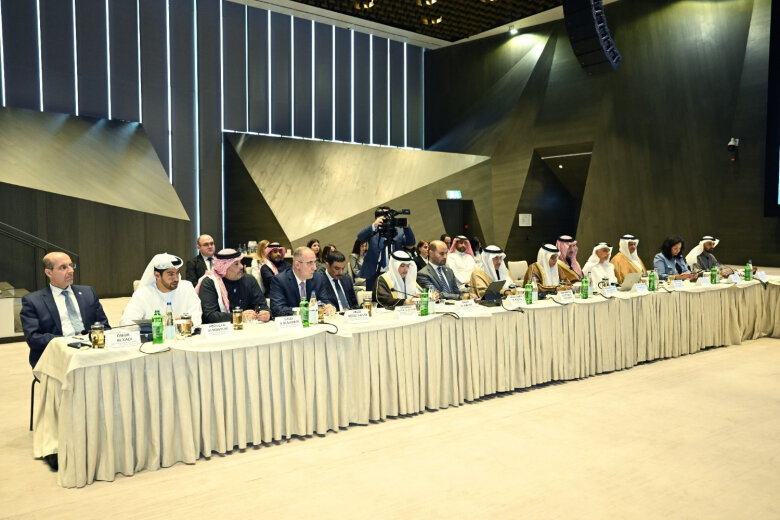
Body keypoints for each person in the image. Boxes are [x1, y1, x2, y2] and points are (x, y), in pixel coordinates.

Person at [20, 252, 110, 368]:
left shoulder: (88, 293)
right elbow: (33, 338)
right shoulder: (33, 301)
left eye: (71, 265)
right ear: (48, 272)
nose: (71, 271)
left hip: (91, 352)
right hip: (55, 357)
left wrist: (89, 339)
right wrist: (68, 340)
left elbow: (104, 326)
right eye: (63, 267)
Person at [119, 253, 202, 326]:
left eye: (177, 273)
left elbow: (196, 315)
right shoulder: (143, 293)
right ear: (157, 275)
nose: (176, 278)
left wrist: (189, 322)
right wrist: (156, 324)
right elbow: (126, 322)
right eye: (171, 274)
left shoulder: (187, 287)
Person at [196, 249, 271, 324]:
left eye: (240, 262)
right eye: (236, 264)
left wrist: (266, 313)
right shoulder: (210, 283)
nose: (241, 266)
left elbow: (261, 305)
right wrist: (237, 317)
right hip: (220, 329)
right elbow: (209, 315)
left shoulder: (249, 280)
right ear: (224, 267)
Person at [356, 207, 416, 292]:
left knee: (394, 296)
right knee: (373, 297)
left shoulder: (398, 232)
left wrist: (407, 228)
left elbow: (411, 243)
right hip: (373, 273)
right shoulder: (373, 231)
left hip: (393, 273)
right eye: (384, 216)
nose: (386, 218)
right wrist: (374, 225)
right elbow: (360, 237)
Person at [270, 246, 337, 317]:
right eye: (310, 263)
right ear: (297, 265)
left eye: (315, 262)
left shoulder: (317, 278)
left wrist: (329, 307)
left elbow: (324, 301)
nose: (315, 268)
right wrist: (304, 311)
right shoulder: (280, 280)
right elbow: (277, 309)